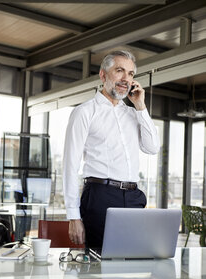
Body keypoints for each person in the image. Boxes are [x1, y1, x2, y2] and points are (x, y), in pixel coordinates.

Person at [63, 50, 160, 248]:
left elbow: (152, 147)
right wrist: (73, 217)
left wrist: (141, 106)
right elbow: (70, 166)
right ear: (103, 75)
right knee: (101, 266)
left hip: (133, 197)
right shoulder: (84, 112)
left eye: (131, 74)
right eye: (119, 71)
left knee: (133, 261)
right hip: (100, 197)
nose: (126, 78)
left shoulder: (133, 114)